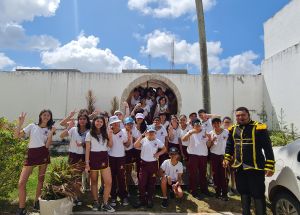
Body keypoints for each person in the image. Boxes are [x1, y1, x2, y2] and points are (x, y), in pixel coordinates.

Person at [223, 107, 275, 215]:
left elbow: (267, 148)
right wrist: (227, 158)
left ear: (248, 115)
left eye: (243, 115)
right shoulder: (233, 129)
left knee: (258, 193)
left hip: (255, 167)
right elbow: (229, 146)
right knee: (243, 192)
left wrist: (270, 166)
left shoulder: (258, 127)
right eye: (238, 116)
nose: (240, 117)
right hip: (239, 168)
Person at [15, 110, 56, 215]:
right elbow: (17, 136)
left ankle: (37, 201)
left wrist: (51, 133)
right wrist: (20, 122)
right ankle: (21, 208)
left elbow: (47, 146)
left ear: (50, 118)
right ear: (40, 116)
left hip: (43, 154)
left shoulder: (50, 129)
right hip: (31, 154)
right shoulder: (32, 126)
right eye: (44, 115)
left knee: (40, 179)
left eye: (48, 115)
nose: (46, 117)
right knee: (21, 183)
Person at [85, 116, 115, 212]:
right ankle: (96, 202)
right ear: (94, 122)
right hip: (93, 158)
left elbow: (110, 146)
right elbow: (87, 150)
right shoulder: (89, 134)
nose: (99, 123)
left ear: (103, 123)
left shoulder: (105, 132)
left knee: (108, 182)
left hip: (104, 158)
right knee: (94, 182)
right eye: (97, 121)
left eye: (101, 122)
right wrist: (87, 164)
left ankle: (105, 203)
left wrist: (110, 135)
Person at [60, 113, 91, 205]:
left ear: (87, 121)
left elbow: (91, 144)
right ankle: (74, 197)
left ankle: (78, 196)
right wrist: (69, 127)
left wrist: (83, 144)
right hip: (73, 155)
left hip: (83, 155)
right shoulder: (73, 129)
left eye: (84, 119)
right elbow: (61, 136)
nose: (82, 120)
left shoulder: (89, 131)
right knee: (73, 176)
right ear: (78, 120)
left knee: (80, 176)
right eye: (80, 119)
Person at [134, 125, 167, 208]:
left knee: (151, 183)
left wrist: (158, 153)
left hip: (153, 164)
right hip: (144, 164)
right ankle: (142, 200)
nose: (151, 133)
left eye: (153, 132)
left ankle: (149, 199)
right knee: (142, 183)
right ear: (147, 133)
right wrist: (141, 136)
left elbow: (164, 149)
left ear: (155, 133)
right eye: (149, 132)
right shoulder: (143, 140)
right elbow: (135, 145)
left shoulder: (157, 141)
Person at [181, 119, 211, 199]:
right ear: (193, 126)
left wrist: (210, 139)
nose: (198, 127)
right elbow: (183, 139)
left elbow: (208, 145)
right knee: (193, 174)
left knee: (203, 174)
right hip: (193, 155)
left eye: (199, 125)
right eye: (196, 125)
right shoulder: (190, 131)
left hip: (203, 155)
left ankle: (204, 189)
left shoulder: (205, 132)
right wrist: (190, 133)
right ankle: (193, 191)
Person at [107, 115, 131, 207]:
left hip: (121, 157)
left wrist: (129, 136)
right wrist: (110, 135)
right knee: (112, 177)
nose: (116, 125)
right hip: (111, 157)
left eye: (117, 123)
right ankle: (113, 196)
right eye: (113, 123)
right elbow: (109, 145)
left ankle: (123, 196)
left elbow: (127, 145)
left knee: (121, 177)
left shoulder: (123, 133)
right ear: (111, 124)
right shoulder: (108, 132)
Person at [207, 117, 229, 201]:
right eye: (214, 123)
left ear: (220, 123)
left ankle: (224, 193)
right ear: (212, 125)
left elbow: (230, 144)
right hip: (214, 156)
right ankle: (217, 192)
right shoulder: (211, 133)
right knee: (215, 174)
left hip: (223, 156)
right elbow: (208, 146)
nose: (216, 125)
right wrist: (211, 140)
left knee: (223, 175)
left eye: (217, 123)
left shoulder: (226, 132)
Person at [222, 116, 238, 196]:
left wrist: (233, 154)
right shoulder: (221, 132)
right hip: (223, 155)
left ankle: (233, 187)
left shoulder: (234, 131)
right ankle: (227, 188)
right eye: (225, 122)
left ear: (231, 123)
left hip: (232, 155)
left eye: (228, 122)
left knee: (233, 172)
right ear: (223, 123)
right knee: (225, 173)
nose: (227, 124)